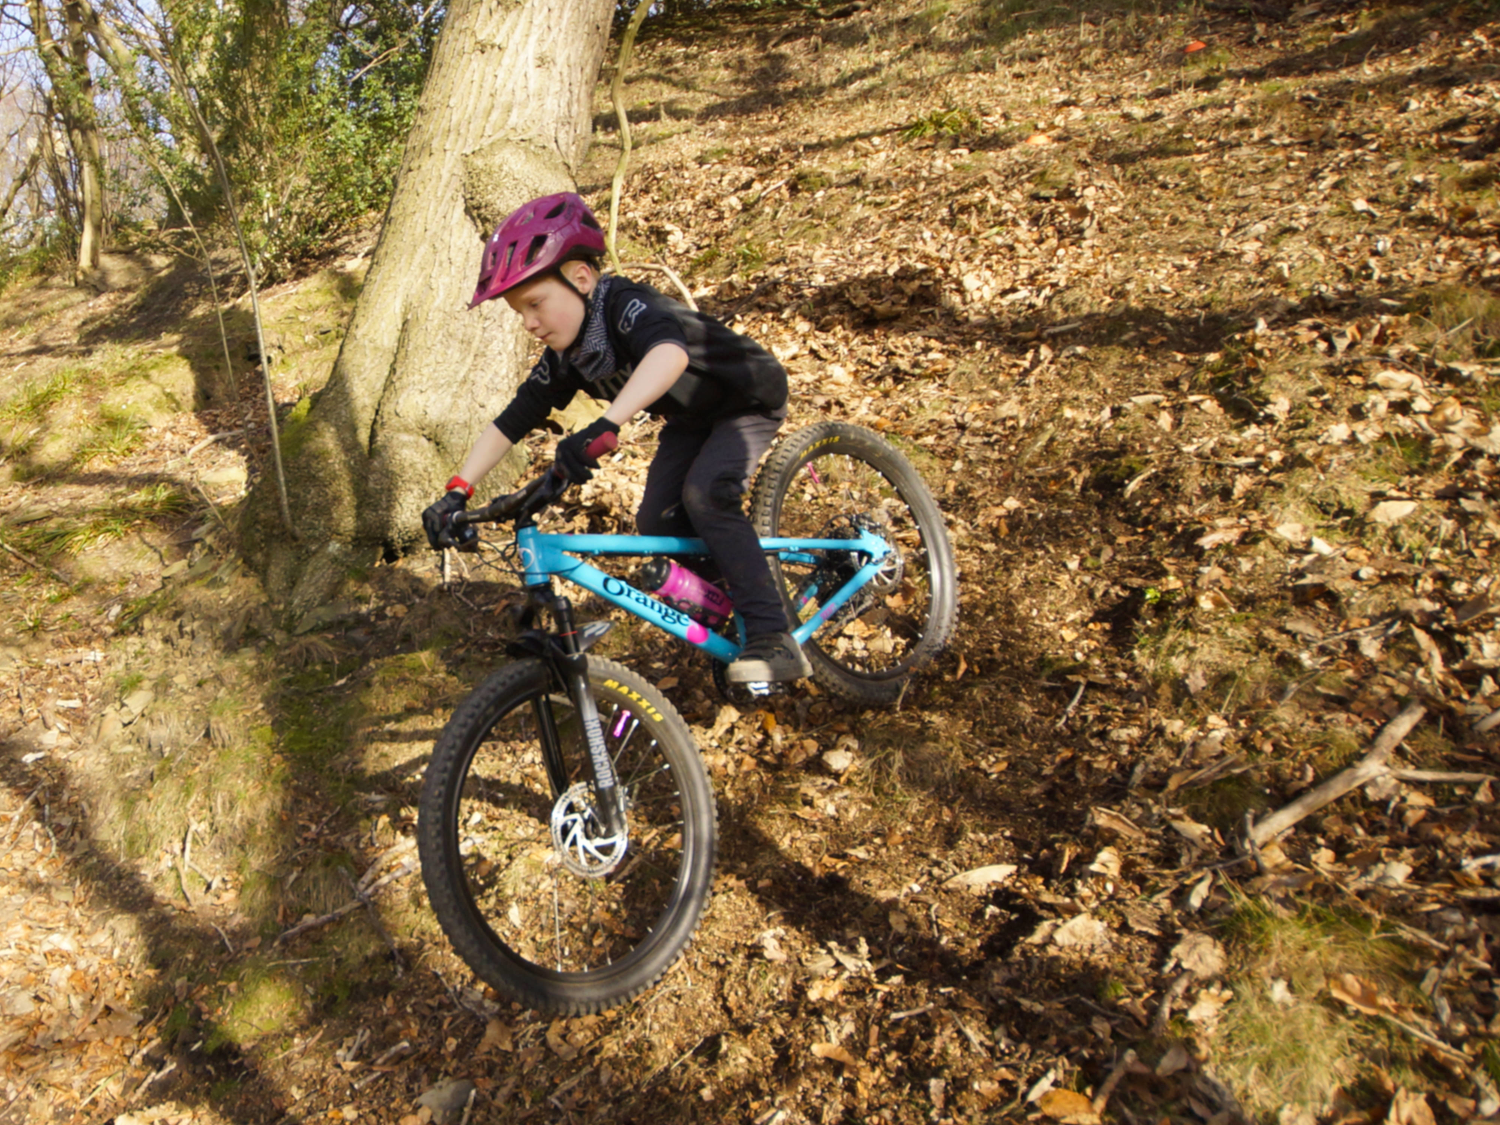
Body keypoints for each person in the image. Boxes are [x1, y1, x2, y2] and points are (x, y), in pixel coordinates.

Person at [422, 192, 811, 684]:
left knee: (707, 494)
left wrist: (608, 423)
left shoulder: (625, 306)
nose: (529, 323)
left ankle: (773, 635)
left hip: (746, 397)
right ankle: (729, 614)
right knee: (656, 522)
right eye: (520, 312)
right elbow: (512, 420)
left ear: (581, 279)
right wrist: (458, 489)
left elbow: (669, 356)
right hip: (692, 420)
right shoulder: (568, 357)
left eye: (536, 304)